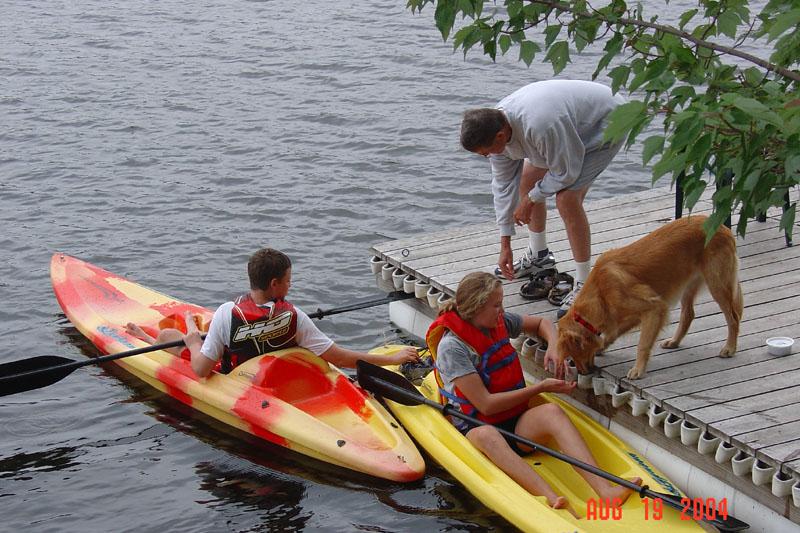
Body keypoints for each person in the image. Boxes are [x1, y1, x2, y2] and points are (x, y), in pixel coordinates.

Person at [427, 271, 640, 512]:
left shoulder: (498, 322)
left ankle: (605, 490)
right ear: (477, 307)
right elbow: (485, 405)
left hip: (514, 421)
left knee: (552, 411)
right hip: (475, 426)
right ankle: (550, 497)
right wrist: (540, 387)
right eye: (496, 305)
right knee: (488, 435)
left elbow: (542, 324)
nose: (501, 309)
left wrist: (553, 346)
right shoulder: (452, 348)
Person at [460, 79, 626, 317]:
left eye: (486, 152)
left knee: (567, 198)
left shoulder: (540, 125)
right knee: (527, 181)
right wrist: (505, 243)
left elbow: (566, 172)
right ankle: (539, 256)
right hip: (568, 129)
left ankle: (585, 283)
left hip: (608, 121)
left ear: (500, 136)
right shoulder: (495, 129)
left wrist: (530, 200)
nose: (486, 157)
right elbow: (504, 186)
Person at [125, 248, 420, 377]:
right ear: (275, 284)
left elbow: (201, 371)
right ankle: (152, 337)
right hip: (268, 376)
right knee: (185, 334)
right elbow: (341, 358)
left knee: (170, 335)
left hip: (231, 374)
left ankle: (152, 339)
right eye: (289, 280)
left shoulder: (228, 313)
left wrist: (191, 341)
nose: (291, 285)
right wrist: (390, 359)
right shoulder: (295, 318)